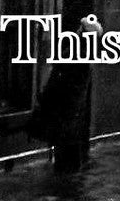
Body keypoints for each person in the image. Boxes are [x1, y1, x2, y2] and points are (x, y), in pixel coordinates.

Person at [28, 14, 102, 174]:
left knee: (64, 157)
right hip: (74, 113)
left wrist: (44, 98)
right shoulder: (87, 55)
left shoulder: (74, 53)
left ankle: (66, 182)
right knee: (71, 154)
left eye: (80, 29)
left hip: (63, 111)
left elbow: (58, 81)